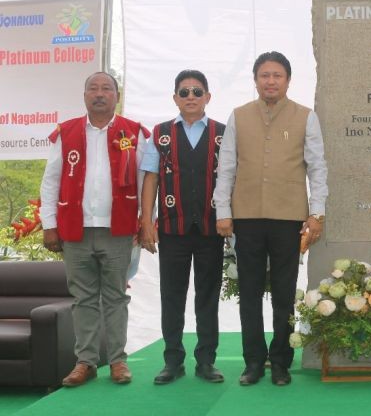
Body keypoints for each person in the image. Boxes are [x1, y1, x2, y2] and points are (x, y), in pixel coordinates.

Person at [213, 51, 328, 387]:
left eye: (277, 75)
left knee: (283, 291)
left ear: (288, 80)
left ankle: (280, 361)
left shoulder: (306, 117)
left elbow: (317, 167)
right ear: (255, 79)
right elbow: (227, 167)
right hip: (246, 217)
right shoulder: (239, 116)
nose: (271, 81)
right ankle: (253, 362)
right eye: (265, 75)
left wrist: (316, 213)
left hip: (287, 217)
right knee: (248, 291)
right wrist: (223, 212)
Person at [40, 72, 149, 387]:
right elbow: (51, 181)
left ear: (117, 95)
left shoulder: (135, 133)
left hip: (118, 230)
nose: (99, 94)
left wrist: (144, 223)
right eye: (93, 88)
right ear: (84, 95)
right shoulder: (67, 132)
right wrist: (50, 225)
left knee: (116, 297)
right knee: (83, 299)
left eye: (106, 88)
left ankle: (117, 361)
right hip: (76, 230)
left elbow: (146, 184)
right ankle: (85, 362)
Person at [138, 70, 227, 385]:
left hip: (210, 229)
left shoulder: (223, 133)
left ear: (207, 97)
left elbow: (231, 179)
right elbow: (151, 177)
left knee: (208, 297)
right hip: (172, 229)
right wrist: (146, 220)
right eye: (185, 92)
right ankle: (172, 361)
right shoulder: (160, 134)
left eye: (197, 91)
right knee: (171, 296)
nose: (191, 97)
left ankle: (206, 361)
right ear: (175, 97)